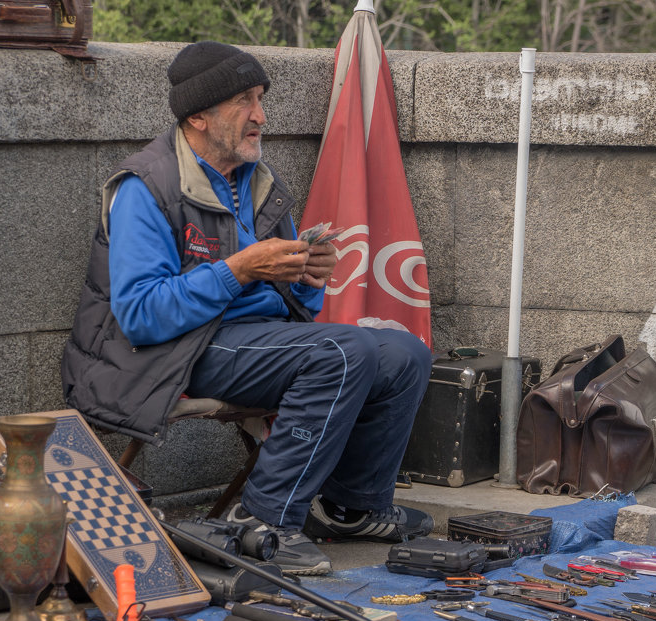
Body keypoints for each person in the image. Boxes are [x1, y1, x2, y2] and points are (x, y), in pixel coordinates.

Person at [61, 41, 434, 575]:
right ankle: (264, 521)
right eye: (244, 101)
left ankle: (352, 506)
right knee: (342, 350)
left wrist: (306, 276)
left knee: (403, 350)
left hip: (248, 338)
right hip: (165, 355)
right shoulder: (145, 187)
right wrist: (240, 269)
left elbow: (291, 311)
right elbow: (141, 316)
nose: (261, 115)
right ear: (199, 117)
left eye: (260, 98)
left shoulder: (257, 182)